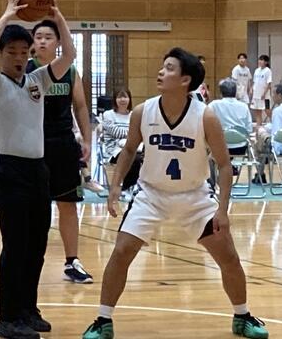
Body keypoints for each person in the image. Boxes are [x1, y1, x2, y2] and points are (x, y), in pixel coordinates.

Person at [82, 48, 268, 339]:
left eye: (169, 68)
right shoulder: (143, 111)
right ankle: (102, 320)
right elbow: (129, 150)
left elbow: (223, 164)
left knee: (229, 257)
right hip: (151, 195)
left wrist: (222, 210)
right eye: (162, 66)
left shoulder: (205, 116)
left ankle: (242, 315)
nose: (161, 72)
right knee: (121, 252)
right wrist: (115, 186)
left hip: (195, 197)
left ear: (185, 80)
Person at [0, 0, 75, 339]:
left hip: (38, 171)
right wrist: (7, 15)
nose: (19, 57)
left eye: (24, 51)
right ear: (1, 54)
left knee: (36, 248)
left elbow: (69, 55)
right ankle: (8, 317)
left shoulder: (38, 80)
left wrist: (56, 16)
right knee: (15, 247)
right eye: (12, 52)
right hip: (10, 171)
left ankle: (28, 310)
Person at [26, 19, 94, 284]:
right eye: (38, 36)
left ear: (57, 43)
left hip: (63, 143)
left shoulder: (70, 71)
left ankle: (72, 261)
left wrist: (87, 139)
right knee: (35, 206)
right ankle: (31, 259)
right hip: (33, 144)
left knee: (68, 204)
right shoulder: (26, 70)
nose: (42, 41)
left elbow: (81, 107)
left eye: (48, 37)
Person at [101, 88, 142, 193]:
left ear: (129, 99)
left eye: (125, 97)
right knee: (134, 160)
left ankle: (140, 188)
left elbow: (141, 132)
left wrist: (135, 132)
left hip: (134, 147)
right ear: (115, 99)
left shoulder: (134, 114)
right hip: (114, 150)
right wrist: (134, 131)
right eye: (119, 97)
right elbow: (117, 133)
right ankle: (125, 188)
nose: (122, 100)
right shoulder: (108, 115)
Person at [251, 55, 272, 125]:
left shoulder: (268, 71)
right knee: (257, 111)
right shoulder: (256, 70)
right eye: (259, 60)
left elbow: (269, 84)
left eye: (262, 60)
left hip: (265, 96)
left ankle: (276, 122)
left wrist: (264, 93)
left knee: (267, 110)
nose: (260, 61)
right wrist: (251, 89)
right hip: (256, 95)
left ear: (266, 62)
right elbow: (254, 82)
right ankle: (259, 127)